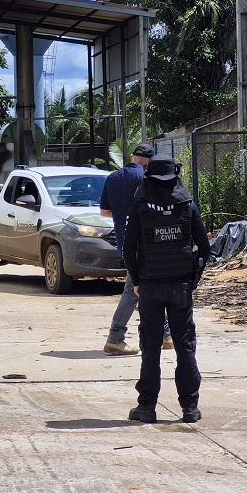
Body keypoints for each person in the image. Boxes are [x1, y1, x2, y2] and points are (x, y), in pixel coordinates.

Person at [123, 154, 211, 424]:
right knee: (184, 347)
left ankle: (147, 408)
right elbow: (205, 249)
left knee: (151, 348)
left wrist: (137, 280)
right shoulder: (187, 206)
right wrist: (192, 280)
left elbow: (128, 250)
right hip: (179, 286)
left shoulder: (139, 207)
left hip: (150, 286)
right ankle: (190, 409)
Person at [100, 143, 172, 355]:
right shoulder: (148, 179)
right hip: (148, 244)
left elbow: (105, 211)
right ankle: (115, 337)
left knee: (148, 289)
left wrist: (124, 215)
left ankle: (166, 336)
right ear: (149, 162)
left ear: (132, 156)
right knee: (133, 292)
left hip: (125, 244)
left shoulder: (112, 178)